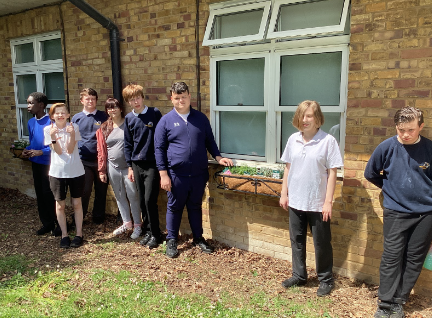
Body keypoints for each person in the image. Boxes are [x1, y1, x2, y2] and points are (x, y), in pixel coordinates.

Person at [364, 106, 432, 318]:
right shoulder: (386, 147)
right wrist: (390, 190)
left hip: (425, 214)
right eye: (401, 129)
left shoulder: (430, 149)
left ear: (421, 126)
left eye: (411, 129)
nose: (405, 134)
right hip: (396, 212)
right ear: (396, 126)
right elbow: (371, 173)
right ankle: (385, 304)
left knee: (414, 258)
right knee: (392, 257)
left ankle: (399, 301)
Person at [154, 81, 233, 258]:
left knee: (195, 206)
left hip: (198, 174)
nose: (181, 101)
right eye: (177, 98)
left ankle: (198, 238)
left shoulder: (200, 119)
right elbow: (158, 149)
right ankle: (172, 240)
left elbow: (209, 141)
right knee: (174, 207)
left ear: (190, 97)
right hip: (176, 175)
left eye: (184, 97)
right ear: (171, 99)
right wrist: (163, 174)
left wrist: (218, 157)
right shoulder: (165, 121)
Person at [279, 100, 343, 297]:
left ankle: (325, 279)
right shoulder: (292, 140)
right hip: (296, 200)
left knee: (321, 243)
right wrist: (284, 193)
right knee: (296, 240)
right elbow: (288, 168)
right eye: (301, 115)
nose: (304, 120)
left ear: (318, 118)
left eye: (309, 116)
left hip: (317, 202)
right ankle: (299, 275)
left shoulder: (328, 141)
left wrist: (327, 202)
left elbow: (332, 173)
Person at [96, 98, 142, 239]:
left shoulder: (129, 123)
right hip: (112, 167)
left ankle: (138, 226)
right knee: (119, 196)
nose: (112, 110)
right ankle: (126, 223)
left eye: (115, 107)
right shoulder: (104, 127)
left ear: (121, 108)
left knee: (133, 195)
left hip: (128, 167)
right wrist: (102, 170)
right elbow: (101, 150)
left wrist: (133, 166)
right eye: (109, 108)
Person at [123, 84, 162, 248]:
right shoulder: (129, 118)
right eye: (132, 100)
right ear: (128, 102)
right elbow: (128, 144)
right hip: (136, 164)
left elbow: (162, 138)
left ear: (142, 97)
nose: (136, 101)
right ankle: (147, 231)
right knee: (142, 202)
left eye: (137, 97)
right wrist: (130, 167)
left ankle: (156, 234)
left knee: (149, 200)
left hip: (152, 164)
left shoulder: (154, 113)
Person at [44, 103, 85, 248]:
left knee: (76, 203)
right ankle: (64, 235)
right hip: (57, 172)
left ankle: (79, 234)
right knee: (60, 205)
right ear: (52, 116)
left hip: (76, 171)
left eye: (63, 112)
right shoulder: (48, 130)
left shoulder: (74, 127)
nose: (60, 115)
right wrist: (54, 137)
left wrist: (72, 134)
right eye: (57, 113)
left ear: (68, 115)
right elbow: (59, 152)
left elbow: (69, 149)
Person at [22, 92, 59, 236]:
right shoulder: (31, 122)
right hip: (35, 163)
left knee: (49, 194)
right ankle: (47, 224)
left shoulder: (51, 123)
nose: (28, 106)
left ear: (41, 105)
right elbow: (33, 142)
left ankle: (59, 224)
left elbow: (55, 146)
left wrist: (41, 152)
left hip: (49, 164)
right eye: (28, 103)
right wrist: (27, 150)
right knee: (40, 194)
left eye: (31, 103)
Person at [72, 88, 109, 224]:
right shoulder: (76, 118)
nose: (90, 101)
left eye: (93, 98)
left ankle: (98, 217)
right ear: (82, 100)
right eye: (87, 98)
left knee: (101, 190)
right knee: (84, 191)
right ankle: (79, 217)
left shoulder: (103, 116)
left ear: (96, 100)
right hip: (84, 161)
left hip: (100, 161)